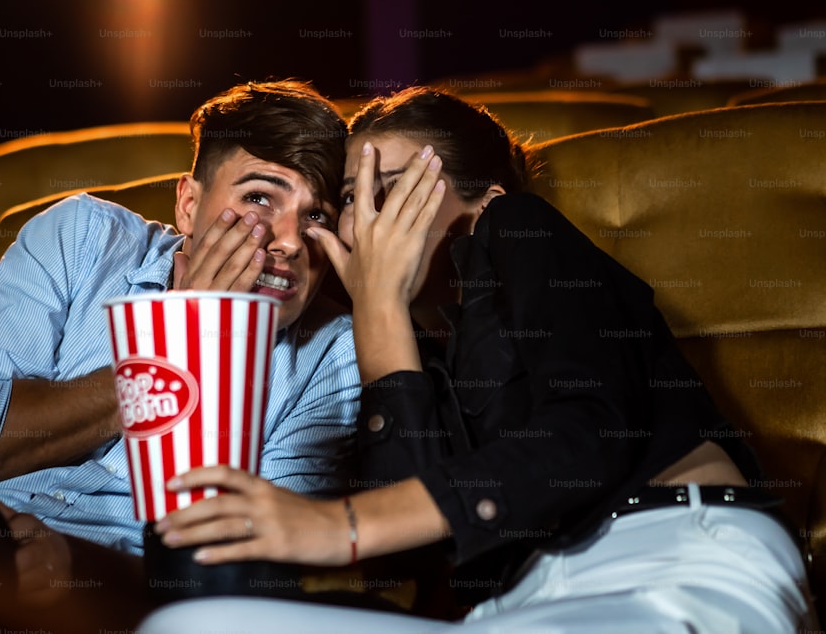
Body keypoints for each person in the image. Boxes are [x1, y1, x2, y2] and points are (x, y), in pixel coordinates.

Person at [141, 87, 818, 633]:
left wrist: (334, 526)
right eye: (350, 198)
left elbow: (588, 435)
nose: (365, 220)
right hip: (520, 602)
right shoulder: (378, 334)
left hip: (674, 553)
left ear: (484, 199)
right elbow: (406, 557)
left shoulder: (522, 230)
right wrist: (380, 317)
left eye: (395, 188)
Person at [0, 80, 360, 630]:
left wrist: (70, 563)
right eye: (259, 198)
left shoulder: (333, 350)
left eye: (316, 216)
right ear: (189, 204)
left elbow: (242, 572)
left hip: (123, 597)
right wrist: (172, 344)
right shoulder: (81, 237)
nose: (291, 242)